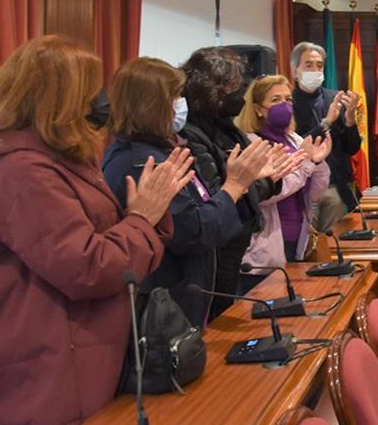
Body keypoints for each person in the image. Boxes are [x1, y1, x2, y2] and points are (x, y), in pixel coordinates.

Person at [0, 36, 192, 424]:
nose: (100, 101)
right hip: (49, 364)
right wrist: (142, 218)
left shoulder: (62, 160)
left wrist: (145, 216)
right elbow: (89, 267)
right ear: (60, 99)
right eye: (91, 90)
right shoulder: (25, 173)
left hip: (86, 347)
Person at [102, 57, 273, 327]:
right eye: (176, 96)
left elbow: (201, 207)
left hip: (184, 296)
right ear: (152, 105)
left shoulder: (161, 151)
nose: (182, 105)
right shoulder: (144, 162)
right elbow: (193, 231)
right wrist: (235, 185)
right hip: (166, 303)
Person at [179, 47, 296, 316]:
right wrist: (257, 182)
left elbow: (253, 180)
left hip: (238, 241)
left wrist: (268, 179)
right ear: (211, 89)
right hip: (213, 251)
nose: (240, 93)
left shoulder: (228, 128)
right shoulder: (192, 134)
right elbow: (217, 193)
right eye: (232, 86)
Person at [237, 75, 331, 286]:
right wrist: (306, 165)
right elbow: (268, 194)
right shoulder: (252, 143)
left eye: (288, 100)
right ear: (258, 109)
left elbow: (314, 193)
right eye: (275, 100)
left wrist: (318, 163)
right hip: (266, 244)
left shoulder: (294, 138)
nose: (285, 106)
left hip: (297, 237)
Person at [289, 42, 363, 230]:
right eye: (308, 65)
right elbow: (296, 147)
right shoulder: (286, 103)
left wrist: (349, 120)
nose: (315, 70)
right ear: (295, 70)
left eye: (319, 65)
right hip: (301, 188)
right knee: (305, 251)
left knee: (333, 247)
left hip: (334, 187)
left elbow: (351, 148)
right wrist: (327, 122)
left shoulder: (335, 98)